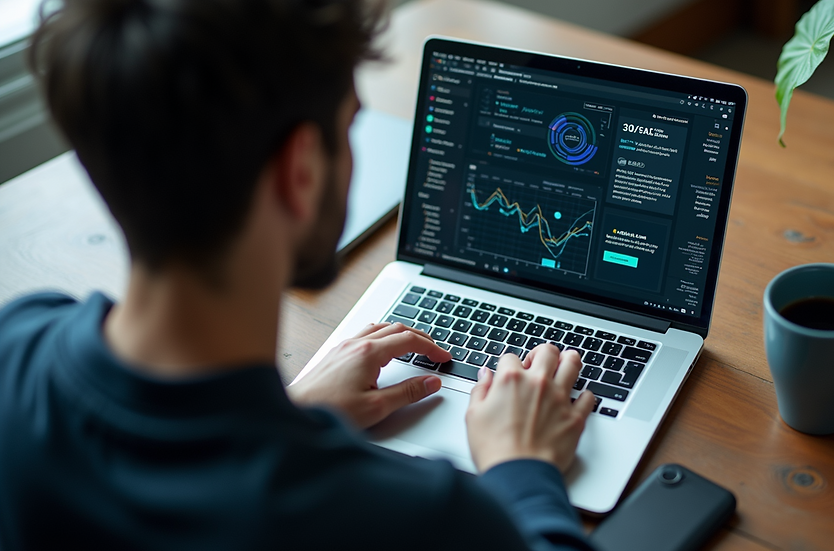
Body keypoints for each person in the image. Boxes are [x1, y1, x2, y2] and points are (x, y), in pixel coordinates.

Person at [0, 0, 598, 549]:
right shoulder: (411, 517)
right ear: (302, 169)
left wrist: (295, 412)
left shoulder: (14, 347)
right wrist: (522, 468)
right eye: (348, 127)